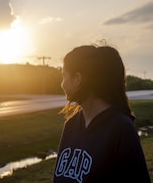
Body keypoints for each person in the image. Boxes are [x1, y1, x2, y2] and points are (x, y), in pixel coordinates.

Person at [53, 45, 151, 183]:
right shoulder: (71, 124)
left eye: (64, 76)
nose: (62, 84)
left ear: (77, 78)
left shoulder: (121, 128)